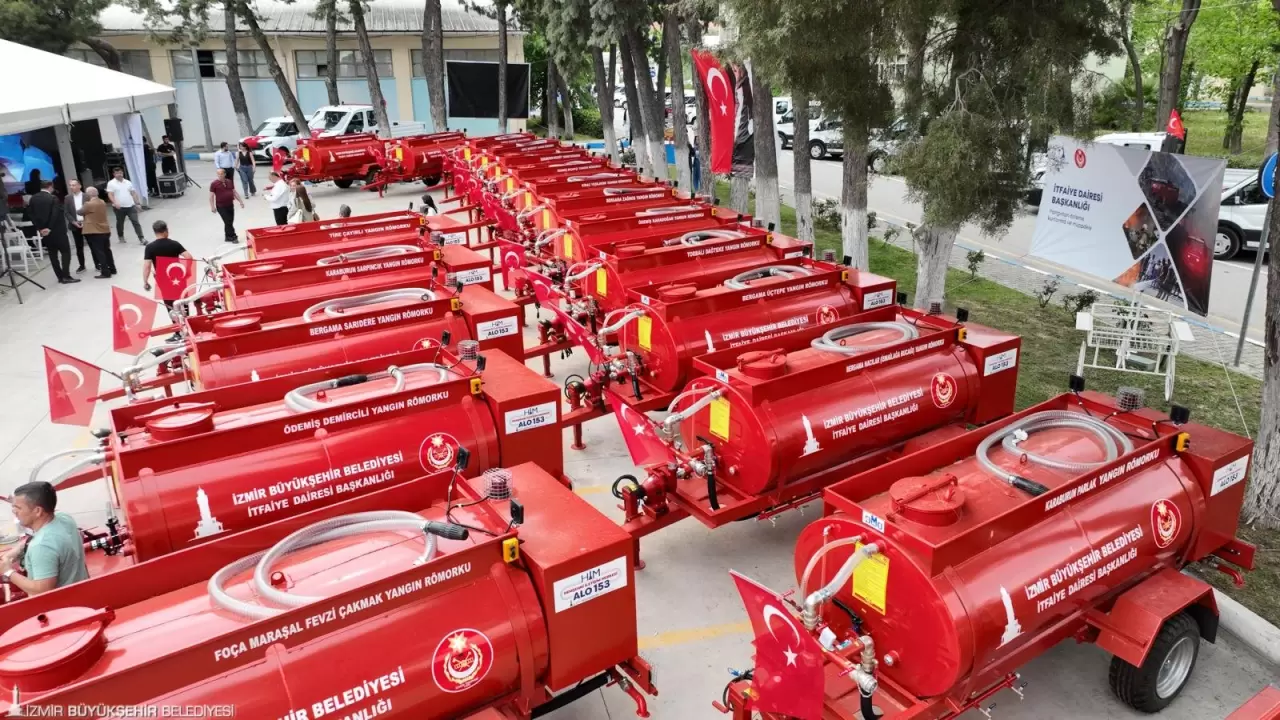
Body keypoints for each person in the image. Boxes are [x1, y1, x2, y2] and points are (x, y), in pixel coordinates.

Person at [0, 482, 90, 596]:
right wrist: (16, 552)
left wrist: (8, 571)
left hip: (60, 608)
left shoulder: (41, 546)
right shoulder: (64, 518)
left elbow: (41, 590)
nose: (14, 511)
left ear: (38, 511)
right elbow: (45, 537)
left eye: (18, 508)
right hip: (82, 591)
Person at [27, 180, 76, 284]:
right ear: (50, 186)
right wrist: (49, 227)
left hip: (44, 232)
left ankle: (60, 277)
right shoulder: (53, 198)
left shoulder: (33, 198)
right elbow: (54, 214)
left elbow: (31, 214)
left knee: (53, 254)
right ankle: (66, 275)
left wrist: (40, 228)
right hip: (56, 230)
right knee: (65, 252)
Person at [142, 220, 193, 310]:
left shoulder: (150, 247)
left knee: (169, 302)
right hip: (178, 276)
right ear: (166, 231)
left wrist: (145, 281)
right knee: (182, 299)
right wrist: (187, 270)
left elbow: (147, 266)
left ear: (155, 232)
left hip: (163, 279)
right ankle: (185, 318)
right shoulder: (175, 244)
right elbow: (188, 257)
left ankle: (175, 321)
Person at [78, 187, 116, 278]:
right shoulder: (102, 202)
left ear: (88, 194)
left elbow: (79, 212)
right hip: (105, 229)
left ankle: (105, 272)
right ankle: (112, 268)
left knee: (99, 252)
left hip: (94, 231)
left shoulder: (89, 204)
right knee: (107, 250)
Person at [106, 167, 146, 245]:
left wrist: (137, 203)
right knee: (120, 222)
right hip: (119, 207)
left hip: (130, 206)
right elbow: (110, 194)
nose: (119, 175)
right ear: (114, 174)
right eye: (117, 173)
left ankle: (141, 238)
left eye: (120, 173)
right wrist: (114, 202)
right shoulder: (111, 183)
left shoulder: (128, 182)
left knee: (135, 222)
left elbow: (133, 193)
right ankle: (121, 236)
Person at [210, 168, 245, 242]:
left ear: (225, 174)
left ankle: (227, 236)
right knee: (228, 221)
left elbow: (234, 192)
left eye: (221, 173)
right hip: (221, 206)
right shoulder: (214, 184)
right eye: (218, 174)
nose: (220, 175)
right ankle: (233, 236)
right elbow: (211, 196)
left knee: (229, 221)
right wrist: (212, 207)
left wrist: (241, 201)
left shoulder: (229, 181)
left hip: (230, 205)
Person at [63, 179, 89, 274]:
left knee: (92, 245)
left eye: (74, 185)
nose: (71, 187)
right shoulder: (68, 198)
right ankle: (82, 265)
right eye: (70, 185)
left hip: (87, 223)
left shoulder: (87, 196)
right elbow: (66, 211)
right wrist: (73, 221)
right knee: (79, 247)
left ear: (79, 186)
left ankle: (97, 263)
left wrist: (86, 220)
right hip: (75, 225)